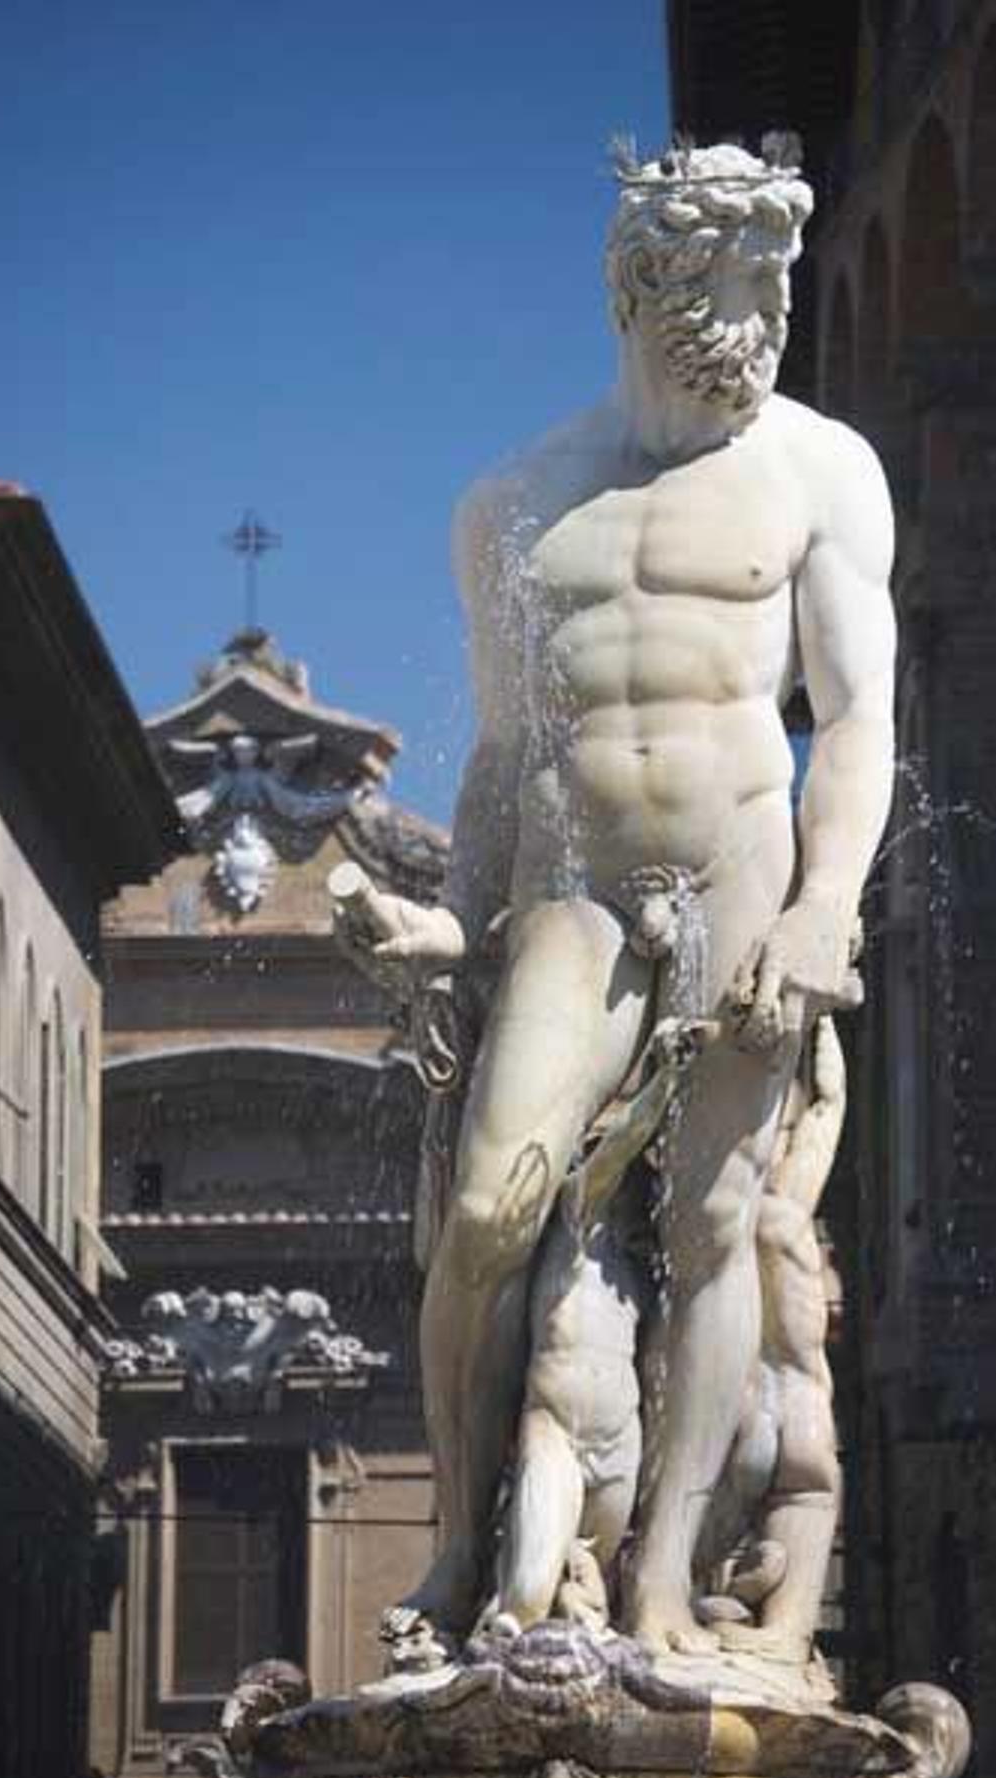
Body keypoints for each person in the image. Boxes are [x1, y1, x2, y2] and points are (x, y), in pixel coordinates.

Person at [335, 139, 894, 1657]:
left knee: (714, 1228)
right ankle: (460, 1547)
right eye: (746, 283)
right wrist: (452, 927)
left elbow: (851, 723)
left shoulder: (820, 467)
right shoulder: (516, 502)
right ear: (652, 282)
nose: (772, 317)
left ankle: (655, 1586)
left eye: (781, 285)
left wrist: (825, 901)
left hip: (743, 877)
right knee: (487, 1205)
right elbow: (508, 757)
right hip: (569, 893)